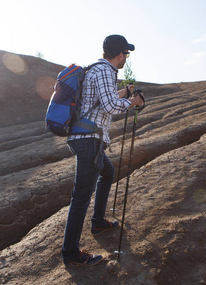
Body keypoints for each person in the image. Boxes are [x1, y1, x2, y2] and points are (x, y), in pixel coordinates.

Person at [62, 35, 144, 266]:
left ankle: (98, 222)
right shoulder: (107, 71)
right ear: (120, 55)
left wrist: (125, 93)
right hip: (89, 140)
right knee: (80, 198)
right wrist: (134, 103)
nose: (126, 58)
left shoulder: (96, 69)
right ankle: (71, 254)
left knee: (107, 173)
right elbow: (109, 106)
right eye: (126, 55)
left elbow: (101, 100)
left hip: (86, 137)